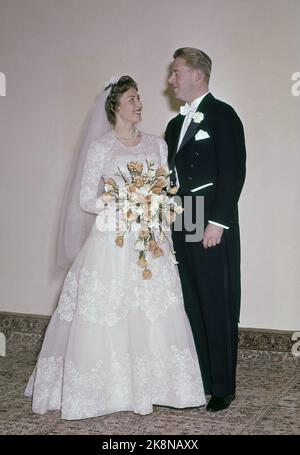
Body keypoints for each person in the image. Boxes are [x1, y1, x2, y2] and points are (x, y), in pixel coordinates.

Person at [24, 75, 206, 420]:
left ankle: (163, 387)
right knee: (108, 310)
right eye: (133, 99)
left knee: (155, 309)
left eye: (139, 99)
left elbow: (166, 188)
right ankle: (106, 389)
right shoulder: (102, 148)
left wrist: (151, 206)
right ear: (116, 107)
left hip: (151, 239)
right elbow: (85, 200)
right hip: (113, 238)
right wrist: (124, 203)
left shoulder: (156, 144)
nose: (139, 104)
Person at [165, 48, 246, 412]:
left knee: (217, 299)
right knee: (191, 300)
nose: (171, 79)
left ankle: (221, 386)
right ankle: (198, 378)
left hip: (210, 216)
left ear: (197, 74)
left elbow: (233, 172)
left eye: (176, 72)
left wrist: (218, 223)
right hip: (184, 216)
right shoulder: (172, 125)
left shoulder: (223, 115)